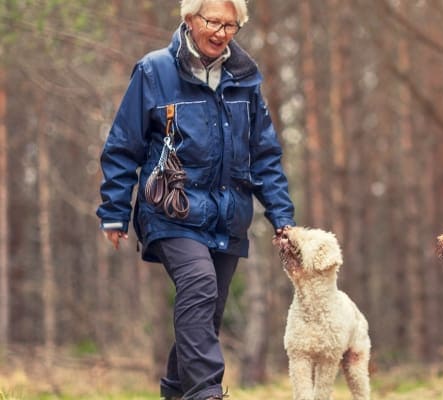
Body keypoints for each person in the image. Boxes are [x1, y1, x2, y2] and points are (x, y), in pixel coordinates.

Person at [96, 0, 296, 399]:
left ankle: (176, 392)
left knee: (206, 315)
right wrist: (114, 211)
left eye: (231, 25)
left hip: (227, 216)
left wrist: (282, 216)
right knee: (200, 285)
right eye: (213, 22)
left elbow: (264, 154)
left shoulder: (245, 77)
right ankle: (206, 393)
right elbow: (123, 146)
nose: (221, 32)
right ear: (189, 20)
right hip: (171, 210)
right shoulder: (155, 71)